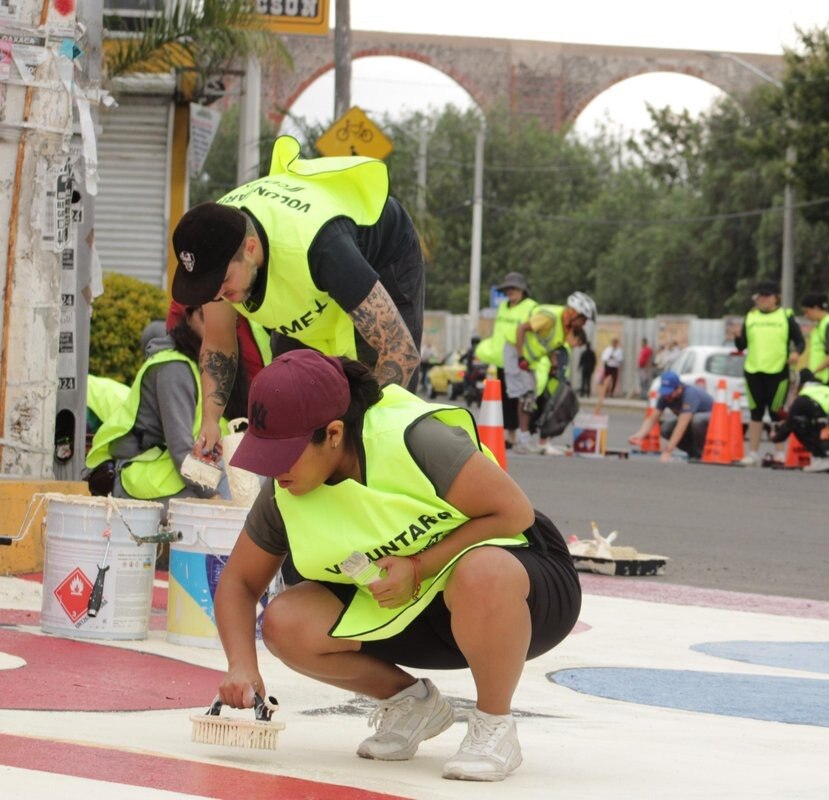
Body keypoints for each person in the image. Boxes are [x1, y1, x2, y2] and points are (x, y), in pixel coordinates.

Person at [215, 350, 581, 782]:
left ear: (333, 434)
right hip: (413, 609)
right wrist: (241, 664)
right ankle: (412, 704)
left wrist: (419, 566)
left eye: (284, 454)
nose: (274, 470)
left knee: (481, 573)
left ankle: (494, 725)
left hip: (523, 593)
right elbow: (239, 583)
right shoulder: (285, 489)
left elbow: (514, 512)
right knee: (285, 622)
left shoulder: (414, 439)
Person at [170, 135, 425, 463]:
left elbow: (399, 349)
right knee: (289, 401)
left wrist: (360, 436)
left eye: (223, 282)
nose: (217, 296)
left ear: (250, 248)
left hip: (378, 257)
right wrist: (210, 422)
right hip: (306, 286)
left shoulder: (322, 248)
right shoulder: (215, 245)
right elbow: (219, 344)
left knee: (367, 416)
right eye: (209, 288)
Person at [84, 305, 236, 507]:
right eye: (207, 317)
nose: (217, 328)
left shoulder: (191, 364)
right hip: (140, 478)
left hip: (157, 471)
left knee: (230, 475)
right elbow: (181, 452)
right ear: (189, 317)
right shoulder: (175, 368)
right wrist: (214, 497)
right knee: (229, 486)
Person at [510, 291, 596, 455]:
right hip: (516, 353)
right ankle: (522, 441)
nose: (584, 324)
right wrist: (520, 357)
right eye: (583, 319)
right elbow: (521, 329)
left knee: (533, 397)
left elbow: (547, 344)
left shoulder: (564, 327)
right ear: (573, 312)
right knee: (527, 395)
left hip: (532, 361)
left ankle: (529, 440)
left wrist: (552, 363)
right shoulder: (550, 317)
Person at [734, 280, 805, 467]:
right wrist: (737, 339)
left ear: (776, 298)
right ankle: (753, 453)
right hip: (753, 370)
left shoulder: (785, 316)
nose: (763, 299)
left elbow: (800, 341)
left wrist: (796, 353)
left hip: (777, 371)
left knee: (776, 413)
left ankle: (779, 453)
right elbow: (742, 345)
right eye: (760, 296)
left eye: (767, 296)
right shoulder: (751, 317)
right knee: (755, 413)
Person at [475, 272, 538, 446]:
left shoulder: (531, 307)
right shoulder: (503, 307)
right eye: (508, 288)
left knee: (521, 397)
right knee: (504, 398)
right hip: (502, 360)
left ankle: (521, 434)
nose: (511, 291)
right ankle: (509, 435)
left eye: (514, 288)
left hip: (520, 360)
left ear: (522, 290)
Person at [625, 370, 713, 463]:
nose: (667, 397)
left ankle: (702, 452)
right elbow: (652, 419)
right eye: (665, 393)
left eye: (670, 393)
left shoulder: (689, 394)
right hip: (691, 422)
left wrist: (668, 450)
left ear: (679, 388)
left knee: (697, 420)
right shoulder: (665, 397)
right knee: (665, 428)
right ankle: (693, 452)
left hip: (710, 421)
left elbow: (682, 425)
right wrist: (639, 435)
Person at [593, 336, 623, 413]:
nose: (615, 344)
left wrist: (615, 357)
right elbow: (604, 357)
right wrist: (609, 357)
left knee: (614, 379)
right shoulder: (608, 349)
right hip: (608, 365)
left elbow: (620, 359)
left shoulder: (619, 350)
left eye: (616, 343)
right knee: (606, 380)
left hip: (615, 366)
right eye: (614, 343)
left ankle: (612, 392)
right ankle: (605, 392)